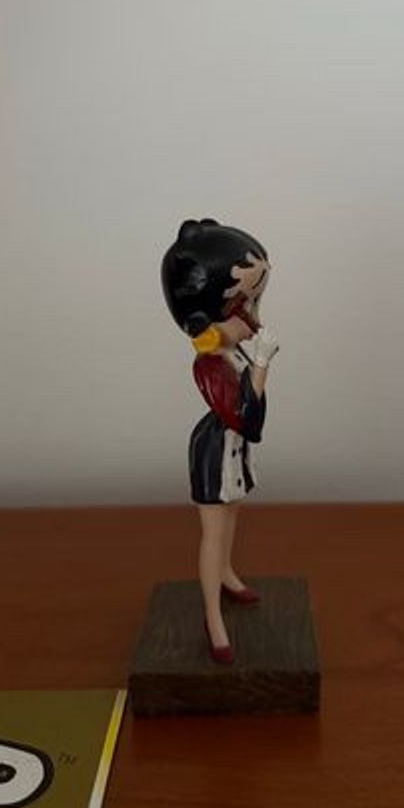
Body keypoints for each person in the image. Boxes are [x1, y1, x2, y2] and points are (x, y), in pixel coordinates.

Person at [161, 218, 280, 664]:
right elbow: (248, 419)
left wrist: (255, 363)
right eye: (242, 306)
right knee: (213, 531)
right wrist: (262, 366)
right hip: (216, 452)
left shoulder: (232, 352)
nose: (254, 317)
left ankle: (228, 572)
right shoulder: (210, 366)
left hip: (233, 450)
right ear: (204, 321)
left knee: (232, 515)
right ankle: (213, 615)